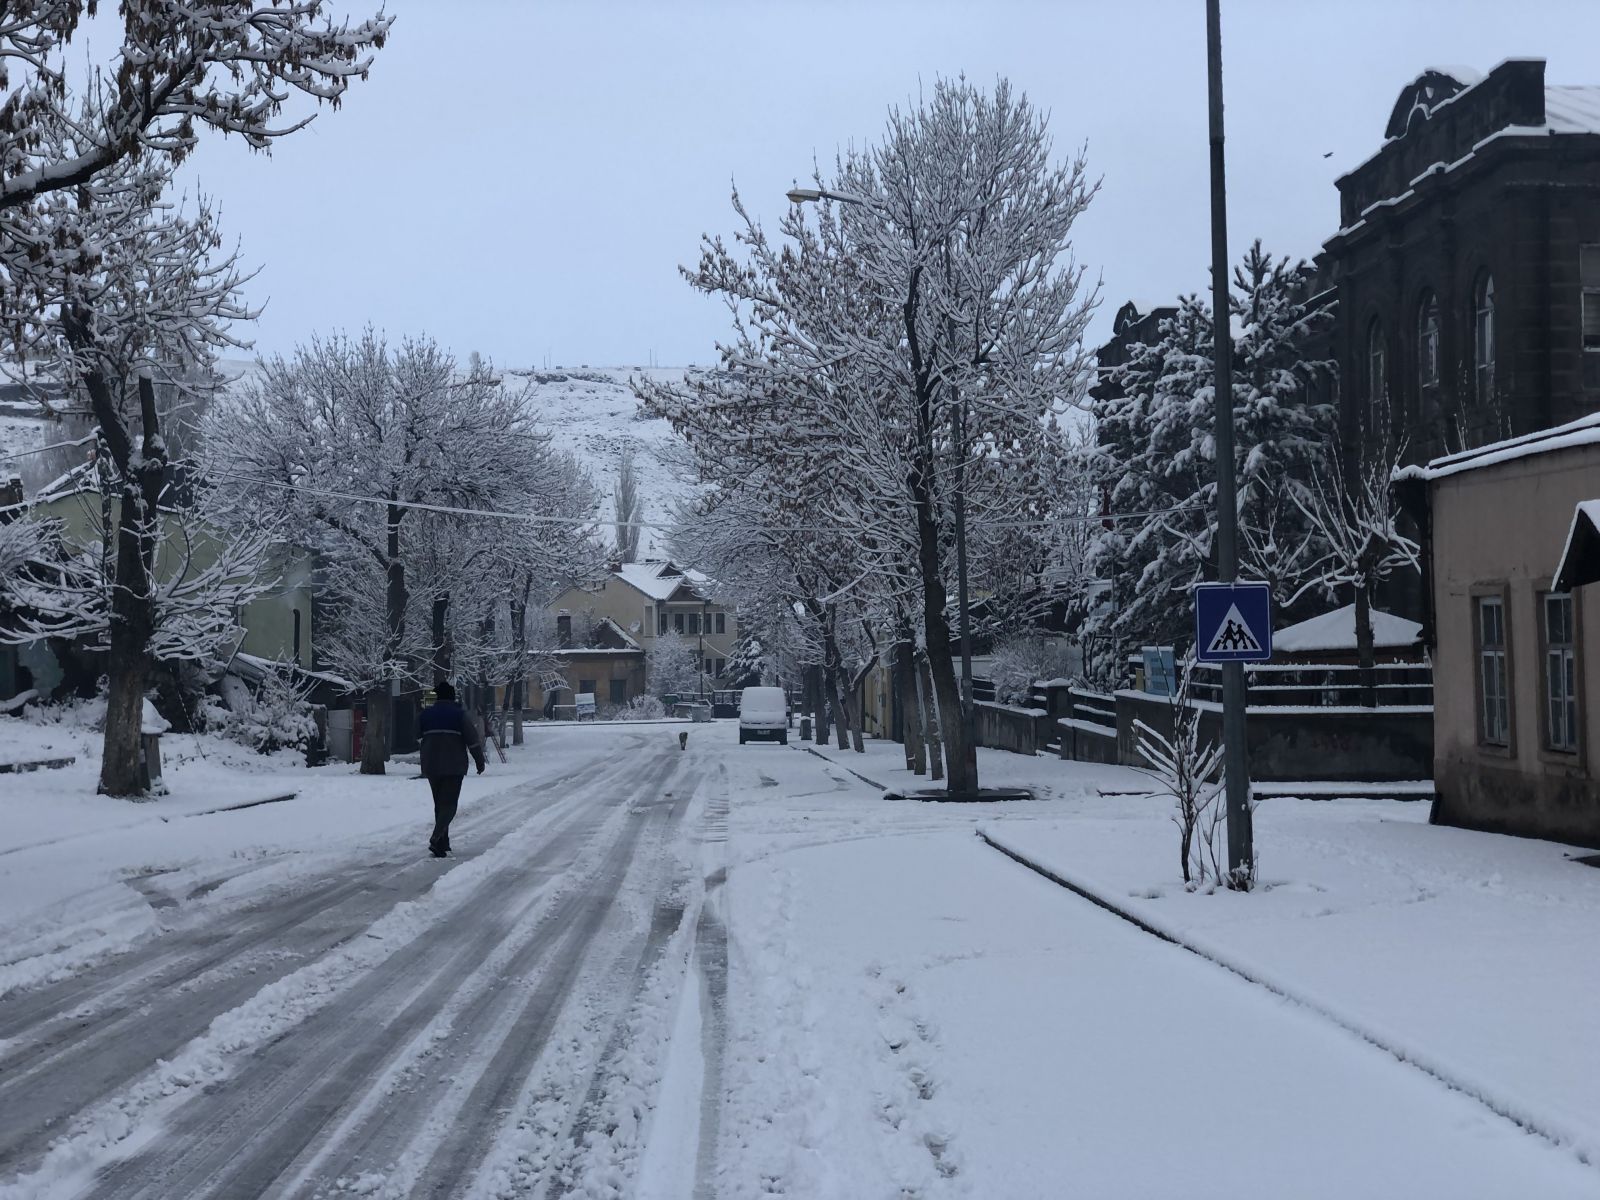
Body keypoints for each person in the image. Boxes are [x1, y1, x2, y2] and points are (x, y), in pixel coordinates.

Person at [418, 681, 485, 857]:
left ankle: (442, 843)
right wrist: (479, 761)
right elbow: (472, 740)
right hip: (454, 765)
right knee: (450, 804)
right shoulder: (459, 715)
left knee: (439, 804)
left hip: (431, 765)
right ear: (452, 695)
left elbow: (415, 735)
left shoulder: (426, 715)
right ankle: (436, 837)